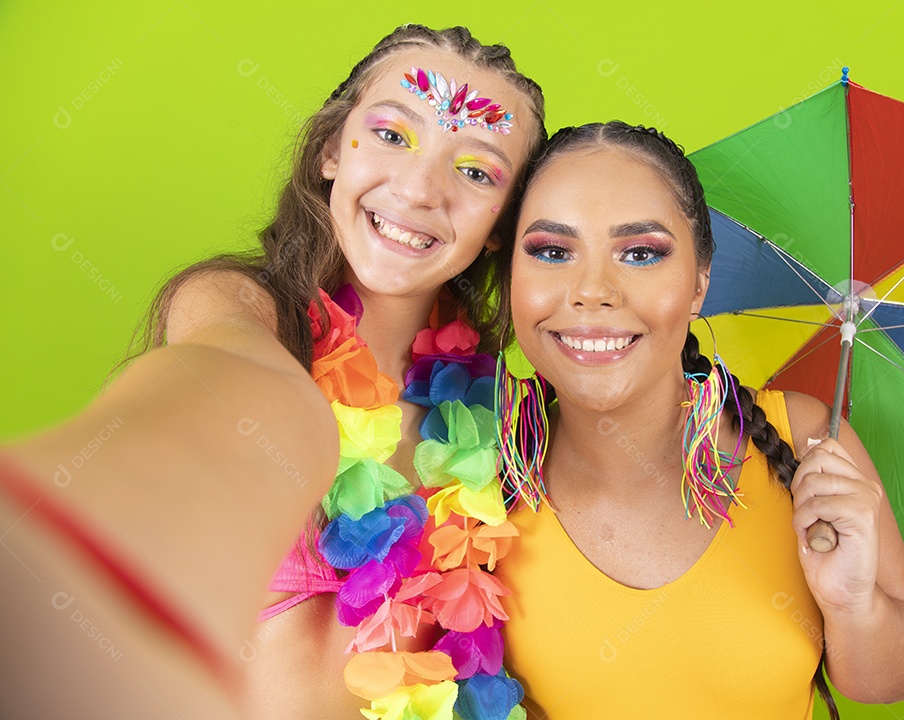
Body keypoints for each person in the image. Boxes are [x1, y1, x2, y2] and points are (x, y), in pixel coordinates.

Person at [1, 24, 544, 720]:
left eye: (476, 171)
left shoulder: (500, 416)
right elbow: (228, 382)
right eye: (392, 136)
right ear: (328, 151)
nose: (418, 189)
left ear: (501, 226)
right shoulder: (239, 309)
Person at [492, 122, 904, 718]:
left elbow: (892, 678)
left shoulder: (804, 438)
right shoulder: (472, 474)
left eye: (640, 253)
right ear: (510, 278)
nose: (593, 291)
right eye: (552, 251)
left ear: (700, 280)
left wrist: (853, 604)